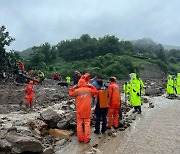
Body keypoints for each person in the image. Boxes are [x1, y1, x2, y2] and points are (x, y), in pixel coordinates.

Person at [69, 79, 98, 143]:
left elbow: (70, 94)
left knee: (79, 125)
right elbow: (96, 92)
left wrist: (73, 88)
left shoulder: (77, 91)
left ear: (79, 83)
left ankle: (80, 139)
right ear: (86, 83)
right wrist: (91, 86)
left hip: (79, 110)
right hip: (87, 110)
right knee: (87, 124)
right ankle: (86, 139)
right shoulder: (89, 90)